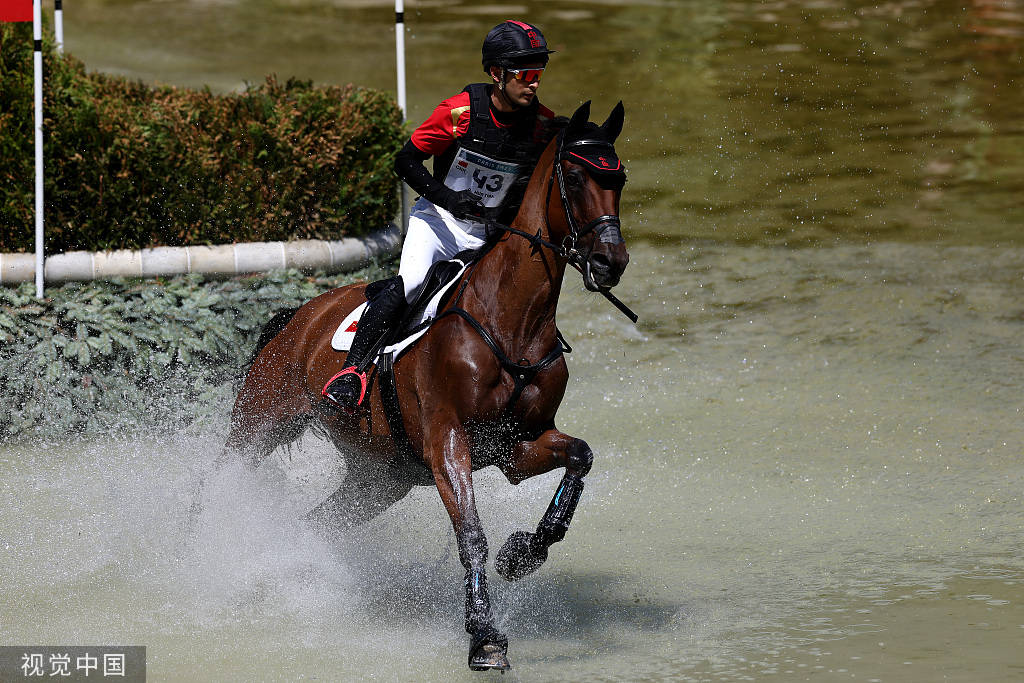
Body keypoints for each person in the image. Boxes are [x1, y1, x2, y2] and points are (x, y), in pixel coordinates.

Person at [321, 19, 559, 410]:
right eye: (526, 73)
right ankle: (352, 373)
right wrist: (448, 197)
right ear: (497, 74)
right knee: (413, 282)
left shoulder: (542, 125)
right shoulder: (459, 112)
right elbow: (407, 160)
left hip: (488, 235)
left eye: (539, 73)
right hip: (439, 223)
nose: (534, 83)